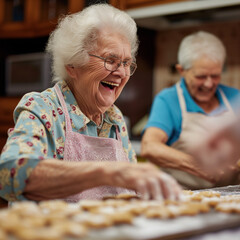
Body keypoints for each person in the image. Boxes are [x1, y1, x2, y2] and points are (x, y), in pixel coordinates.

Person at [0, 4, 181, 203]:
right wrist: (103, 172)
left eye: (126, 63)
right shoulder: (43, 107)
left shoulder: (115, 118)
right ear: (73, 65)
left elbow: (131, 191)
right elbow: (8, 175)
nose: (121, 73)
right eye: (110, 60)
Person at [141, 31, 240, 189]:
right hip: (184, 197)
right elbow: (149, 147)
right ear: (182, 70)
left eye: (215, 76)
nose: (209, 84)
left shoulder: (235, 97)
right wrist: (200, 166)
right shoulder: (168, 99)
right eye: (201, 76)